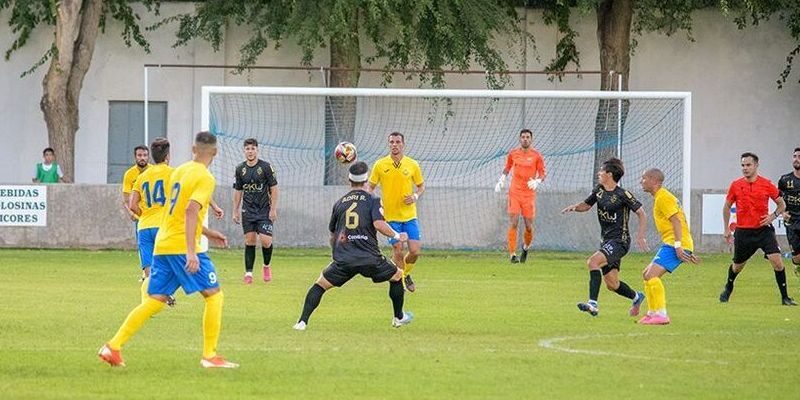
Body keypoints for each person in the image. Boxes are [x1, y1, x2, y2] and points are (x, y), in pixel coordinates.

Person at [99, 131, 238, 368]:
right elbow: (190, 211)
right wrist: (192, 252)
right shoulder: (205, 177)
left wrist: (207, 233)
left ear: (194, 150)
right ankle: (210, 355)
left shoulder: (181, 170)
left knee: (155, 301)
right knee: (215, 295)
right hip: (181, 246)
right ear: (215, 152)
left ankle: (112, 347)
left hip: (163, 244)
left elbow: (175, 211)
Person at [293, 161, 414, 331]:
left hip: (344, 258)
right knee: (397, 276)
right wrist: (397, 235)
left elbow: (333, 235)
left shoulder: (339, 203)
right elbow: (379, 225)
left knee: (319, 285)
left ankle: (302, 322)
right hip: (369, 258)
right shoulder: (373, 200)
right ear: (366, 181)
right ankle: (398, 317)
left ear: (349, 181)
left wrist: (336, 255)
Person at [561, 158, 648, 317]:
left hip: (620, 241)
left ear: (609, 174)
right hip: (606, 241)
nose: (599, 173)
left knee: (592, 262)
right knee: (612, 284)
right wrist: (575, 207)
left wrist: (641, 236)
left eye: (601, 171)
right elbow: (587, 205)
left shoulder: (623, 194)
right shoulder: (599, 190)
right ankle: (637, 297)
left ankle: (592, 304)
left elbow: (641, 213)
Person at [720, 152, 796, 306]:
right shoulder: (736, 185)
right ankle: (729, 287)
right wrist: (726, 229)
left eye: (748, 165)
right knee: (737, 266)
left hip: (763, 230)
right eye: (743, 165)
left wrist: (773, 216)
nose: (745, 168)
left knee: (777, 262)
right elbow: (727, 206)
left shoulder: (766, 184)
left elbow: (782, 204)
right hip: (743, 232)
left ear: (756, 165)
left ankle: (785, 297)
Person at [637, 168, 699, 325]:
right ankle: (652, 313)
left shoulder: (663, 197)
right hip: (673, 243)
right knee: (646, 274)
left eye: (644, 178)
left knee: (651, 275)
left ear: (654, 181)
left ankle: (661, 314)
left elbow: (677, 221)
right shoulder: (660, 197)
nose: (641, 181)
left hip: (674, 243)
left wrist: (679, 246)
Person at [368, 132, 425, 292]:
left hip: (409, 216)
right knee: (398, 250)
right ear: (389, 144)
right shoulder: (380, 165)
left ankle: (405, 274)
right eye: (391, 142)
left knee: (415, 251)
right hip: (391, 217)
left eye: (397, 142)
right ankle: (399, 284)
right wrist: (374, 202)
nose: (394, 144)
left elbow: (421, 186)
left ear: (403, 144)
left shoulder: (412, 164)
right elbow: (370, 187)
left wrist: (415, 196)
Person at [128, 138, 174, 306]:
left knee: (148, 268)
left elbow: (132, 205)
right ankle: (164, 293)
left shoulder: (142, 177)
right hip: (163, 225)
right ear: (167, 156)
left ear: (152, 156)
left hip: (144, 226)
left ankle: (146, 303)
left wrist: (144, 214)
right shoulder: (172, 174)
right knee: (167, 263)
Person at [494, 129, 546, 263]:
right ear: (519, 139)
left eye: (528, 137)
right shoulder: (513, 153)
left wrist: (537, 181)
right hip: (515, 192)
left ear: (531, 139)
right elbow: (508, 167)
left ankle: (526, 247)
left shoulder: (537, 155)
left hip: (528, 194)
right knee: (514, 222)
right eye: (523, 137)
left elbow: (542, 173)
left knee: (528, 226)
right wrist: (501, 179)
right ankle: (512, 255)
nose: (525, 139)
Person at [232, 138, 279, 284]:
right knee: (250, 240)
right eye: (247, 149)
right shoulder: (240, 169)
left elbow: (274, 188)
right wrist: (235, 210)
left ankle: (266, 266)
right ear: (244, 151)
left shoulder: (266, 167)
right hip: (248, 210)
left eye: (253, 149)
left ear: (257, 150)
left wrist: (273, 209)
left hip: (264, 210)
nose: (250, 152)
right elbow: (238, 191)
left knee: (266, 241)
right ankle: (249, 273)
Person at [777, 147, 800, 273]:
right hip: (791, 222)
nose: (796, 159)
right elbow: (778, 197)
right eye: (795, 156)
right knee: (796, 257)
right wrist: (782, 212)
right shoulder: (785, 180)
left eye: (799, 157)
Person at [122, 145, 150, 222]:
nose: (142, 158)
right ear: (135, 157)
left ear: (148, 157)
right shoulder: (129, 174)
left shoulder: (153, 171)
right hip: (139, 214)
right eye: (139, 155)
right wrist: (131, 213)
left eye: (145, 155)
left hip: (153, 214)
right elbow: (126, 198)